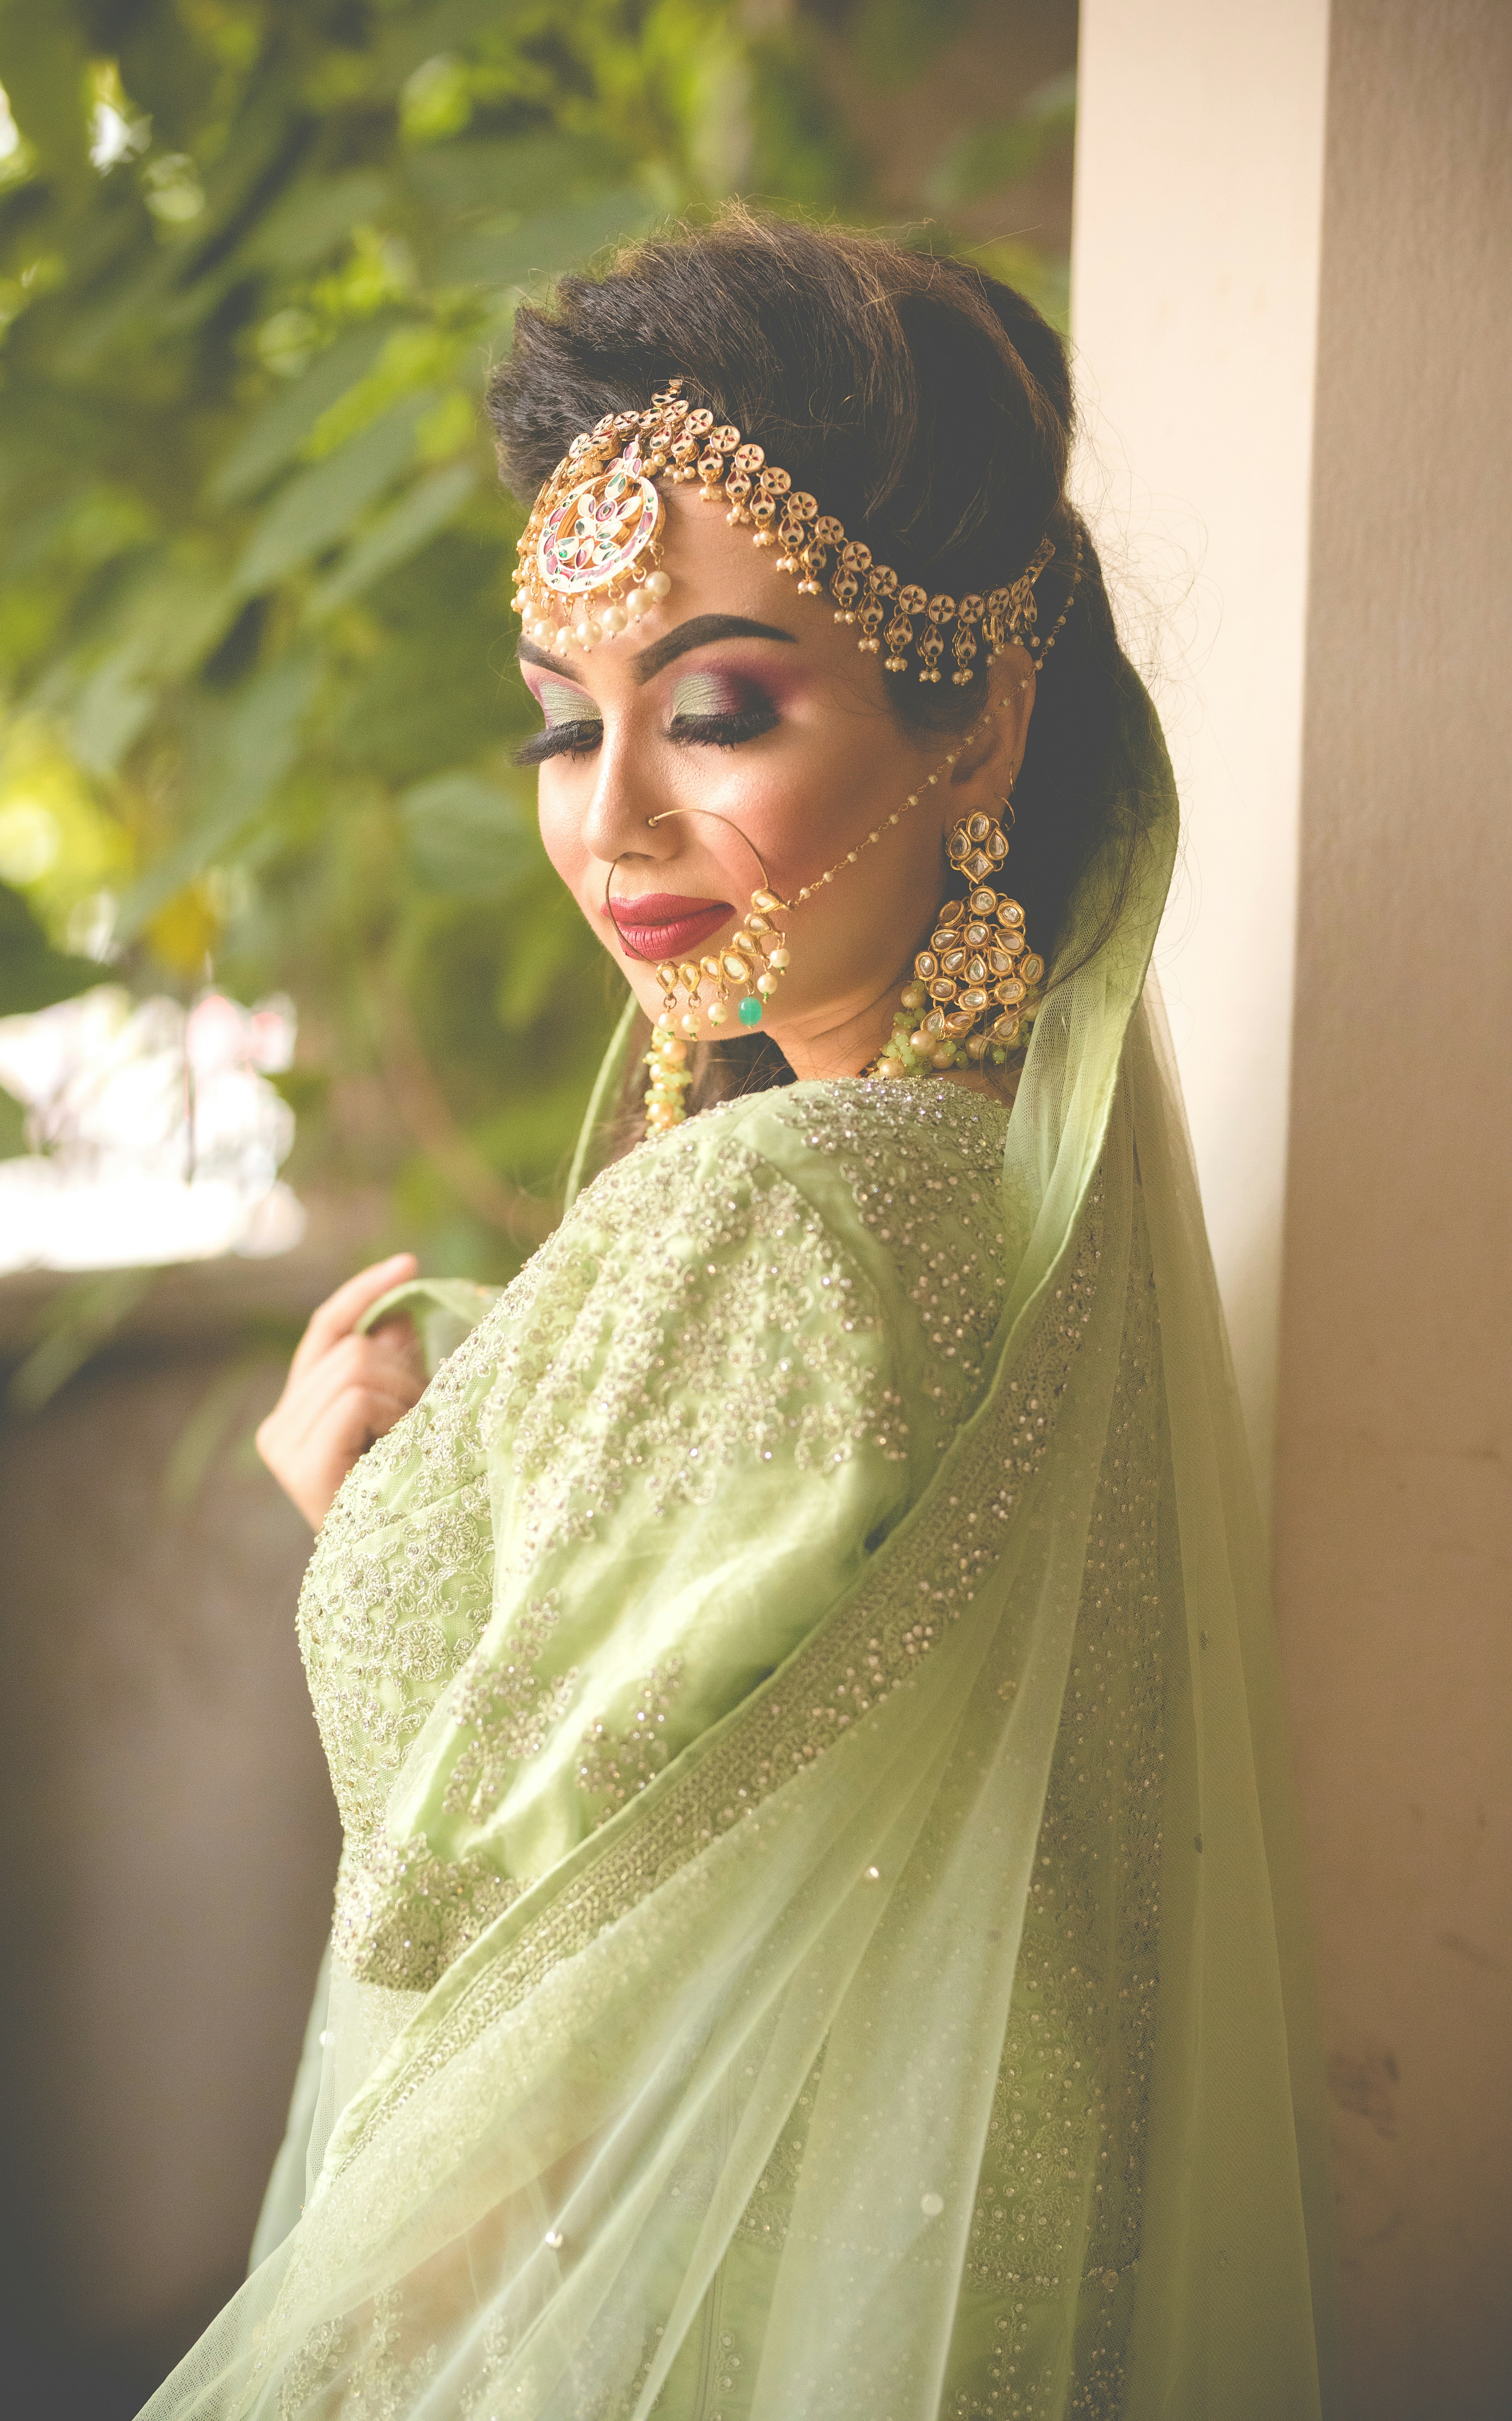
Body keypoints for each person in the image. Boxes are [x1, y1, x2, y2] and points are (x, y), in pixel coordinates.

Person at [149, 215, 1338, 2421]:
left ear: (975, 718)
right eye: (555, 723)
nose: (610, 822)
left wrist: (371, 1511)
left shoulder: (785, 1212)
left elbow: (527, 1939)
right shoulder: (1004, 1195)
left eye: (715, 710)